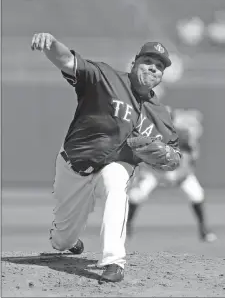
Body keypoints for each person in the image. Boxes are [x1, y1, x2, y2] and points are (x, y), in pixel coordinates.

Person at [31, 33, 181, 283]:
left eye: (160, 66)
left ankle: (114, 261)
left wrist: (169, 157)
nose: (154, 68)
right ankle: (69, 241)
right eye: (148, 61)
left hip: (115, 164)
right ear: (134, 62)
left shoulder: (161, 116)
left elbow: (174, 156)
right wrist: (51, 44)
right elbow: (67, 60)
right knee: (61, 241)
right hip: (74, 165)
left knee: (116, 182)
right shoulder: (104, 78)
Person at [127, 86, 217, 243]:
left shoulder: (182, 133)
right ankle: (126, 227)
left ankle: (204, 230)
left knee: (197, 194)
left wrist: (186, 170)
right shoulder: (150, 132)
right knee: (136, 195)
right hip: (154, 172)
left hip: (180, 172)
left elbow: (192, 153)